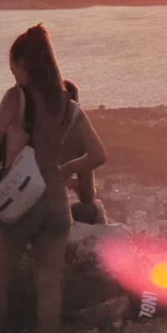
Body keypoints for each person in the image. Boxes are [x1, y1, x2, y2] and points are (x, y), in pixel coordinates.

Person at [0, 25, 107, 333]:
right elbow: (98, 154)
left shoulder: (17, 97)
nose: (11, 72)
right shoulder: (69, 105)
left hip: (21, 200)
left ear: (22, 63)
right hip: (55, 204)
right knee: (50, 287)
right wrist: (64, 170)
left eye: (13, 65)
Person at [63, 79, 108, 225]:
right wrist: (73, 182)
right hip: (56, 213)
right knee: (94, 208)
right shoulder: (79, 141)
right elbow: (87, 197)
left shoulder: (32, 126)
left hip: (24, 206)